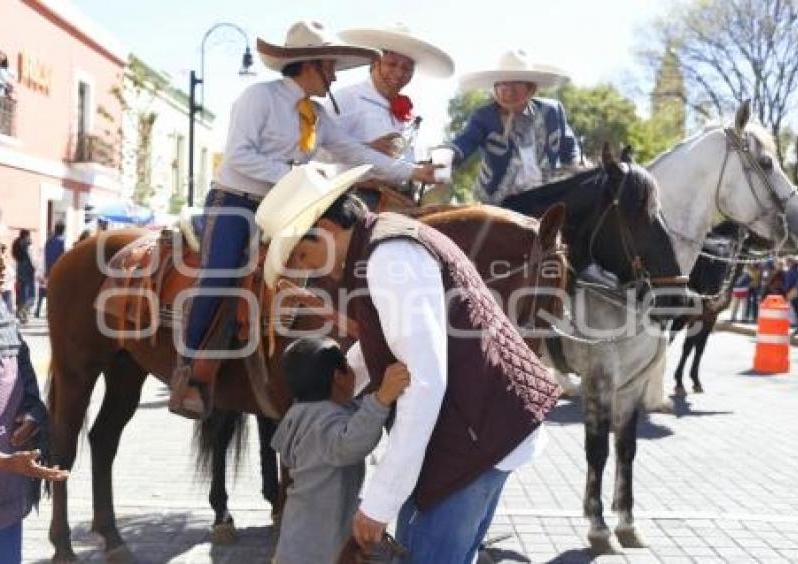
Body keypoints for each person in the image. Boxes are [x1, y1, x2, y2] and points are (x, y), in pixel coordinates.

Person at [256, 164, 562, 563]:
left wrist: (380, 502)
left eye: (303, 253)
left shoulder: (389, 259)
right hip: (485, 431)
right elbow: (386, 342)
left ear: (327, 230)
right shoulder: (382, 244)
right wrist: (339, 382)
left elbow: (423, 380)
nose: (306, 267)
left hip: (475, 438)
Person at [170, 20, 442, 419]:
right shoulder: (257, 97)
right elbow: (239, 156)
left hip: (287, 205)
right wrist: (299, 177)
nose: (334, 75)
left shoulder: (315, 113)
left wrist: (412, 172)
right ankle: (191, 371)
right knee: (221, 273)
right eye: (330, 66)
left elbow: (351, 150)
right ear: (309, 65)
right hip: (236, 202)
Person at [0, 210, 69, 564]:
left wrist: (34, 413)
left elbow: (26, 388)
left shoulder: (0, 317)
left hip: (6, 502)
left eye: (4, 250)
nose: (5, 263)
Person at [271, 337, 410, 564]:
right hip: (315, 544)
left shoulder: (303, 411)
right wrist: (382, 399)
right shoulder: (320, 421)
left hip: (299, 536)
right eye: (347, 365)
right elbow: (349, 444)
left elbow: (351, 412)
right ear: (339, 376)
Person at [326, 25, 454, 202]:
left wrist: (422, 168)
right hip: (356, 196)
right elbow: (318, 151)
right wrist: (365, 147)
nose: (399, 73)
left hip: (401, 198)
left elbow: (401, 160)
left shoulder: (408, 110)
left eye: (407, 68)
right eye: (392, 64)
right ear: (375, 63)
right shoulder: (346, 98)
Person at [447, 49, 579, 206]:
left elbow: (569, 149)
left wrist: (575, 170)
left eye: (515, 84)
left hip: (547, 196)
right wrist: (445, 156)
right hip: (501, 204)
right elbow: (464, 142)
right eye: (502, 85)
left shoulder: (552, 110)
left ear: (531, 89)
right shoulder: (483, 117)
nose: (507, 91)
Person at [34, 223, 65, 319]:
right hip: (58, 271)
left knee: (44, 291)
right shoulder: (63, 242)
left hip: (48, 270)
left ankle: (39, 310)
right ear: (63, 230)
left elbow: (44, 256)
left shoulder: (48, 241)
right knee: (56, 293)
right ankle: (52, 312)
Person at [10, 230, 35, 325]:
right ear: (26, 236)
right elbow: (33, 259)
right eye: (29, 236)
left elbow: (14, 257)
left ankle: (19, 312)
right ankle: (24, 315)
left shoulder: (16, 244)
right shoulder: (28, 245)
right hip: (28, 272)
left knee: (21, 293)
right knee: (30, 295)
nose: (30, 238)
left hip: (19, 270)